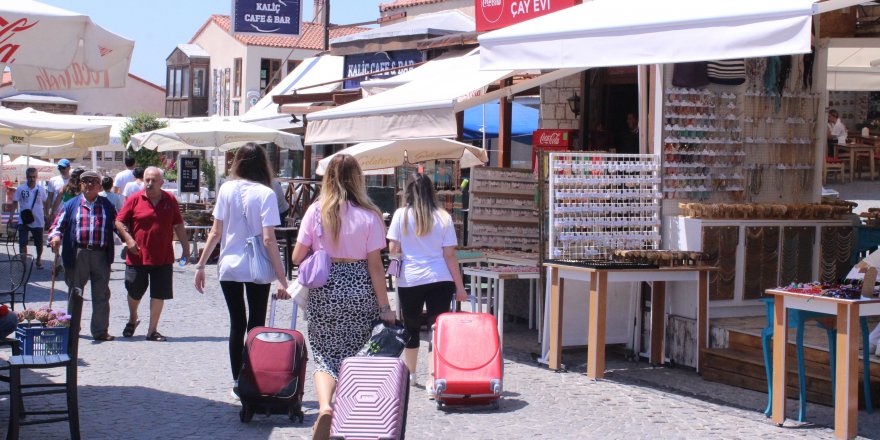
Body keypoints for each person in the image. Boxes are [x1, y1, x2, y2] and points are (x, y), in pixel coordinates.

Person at [290, 154, 394, 440]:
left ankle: (325, 407)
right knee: (356, 357)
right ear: (357, 179)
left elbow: (297, 257)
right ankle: (352, 415)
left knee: (325, 356)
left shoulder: (316, 211)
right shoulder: (370, 215)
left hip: (325, 291)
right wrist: (385, 306)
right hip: (360, 289)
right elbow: (376, 266)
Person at [193, 143, 290, 398]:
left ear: (237, 162)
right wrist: (282, 278)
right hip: (257, 266)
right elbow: (269, 239)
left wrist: (201, 265)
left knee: (237, 323)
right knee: (256, 325)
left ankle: (238, 380)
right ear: (263, 165)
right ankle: (253, 377)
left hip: (230, 265)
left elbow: (215, 232)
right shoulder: (266, 193)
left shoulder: (226, 189)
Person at [386, 173, 467, 395]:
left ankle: (412, 374)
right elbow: (450, 255)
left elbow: (393, 250)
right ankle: (434, 378)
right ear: (432, 191)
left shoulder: (400, 215)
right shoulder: (444, 217)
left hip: (410, 279)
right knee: (437, 329)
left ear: (408, 191)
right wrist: (460, 287)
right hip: (440, 278)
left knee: (411, 328)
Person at [116, 167, 190, 342]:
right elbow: (119, 221)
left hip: (163, 256)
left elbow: (178, 225)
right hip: (137, 255)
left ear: (161, 182)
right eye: (147, 180)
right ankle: (133, 318)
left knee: (159, 293)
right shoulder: (135, 199)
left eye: (153, 180)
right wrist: (129, 240)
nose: (149, 183)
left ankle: (152, 330)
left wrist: (186, 250)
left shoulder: (169, 199)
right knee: (133, 290)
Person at [48, 170, 118, 342]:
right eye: (85, 181)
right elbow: (57, 226)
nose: (89, 184)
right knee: (75, 292)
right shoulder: (71, 204)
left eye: (94, 181)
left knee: (101, 293)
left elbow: (118, 226)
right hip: (78, 253)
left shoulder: (107, 206)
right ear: (81, 185)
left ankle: (100, 330)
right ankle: (73, 327)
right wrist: (55, 237)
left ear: (100, 186)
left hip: (101, 254)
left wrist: (130, 240)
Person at [11, 167, 48, 269]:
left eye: (34, 177)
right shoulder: (20, 189)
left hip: (38, 220)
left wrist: (48, 215)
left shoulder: (41, 189)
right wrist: (11, 216)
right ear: (26, 177)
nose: (32, 179)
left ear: (36, 177)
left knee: (39, 244)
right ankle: (23, 263)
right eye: (30, 177)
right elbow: (15, 202)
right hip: (24, 220)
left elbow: (46, 202)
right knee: (22, 242)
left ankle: (39, 258)